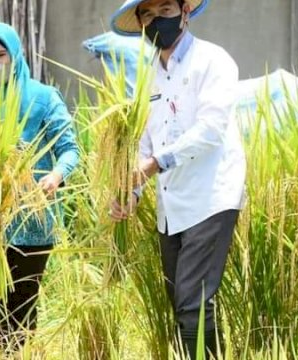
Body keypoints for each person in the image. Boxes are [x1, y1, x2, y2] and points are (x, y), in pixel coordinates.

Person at [109, 0, 246, 358]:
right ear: (140, 24)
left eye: (165, 9)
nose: (157, 20)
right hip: (171, 206)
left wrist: (153, 165)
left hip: (211, 196)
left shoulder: (213, 61)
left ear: (185, 11)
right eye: (148, 14)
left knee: (192, 301)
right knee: (181, 302)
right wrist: (133, 190)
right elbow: (145, 140)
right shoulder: (148, 76)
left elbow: (210, 130)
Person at [0, 22, 79, 348]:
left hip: (32, 222)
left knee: (22, 305)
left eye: (1, 55)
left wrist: (54, 176)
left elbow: (70, 150)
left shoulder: (43, 98)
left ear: (15, 55)